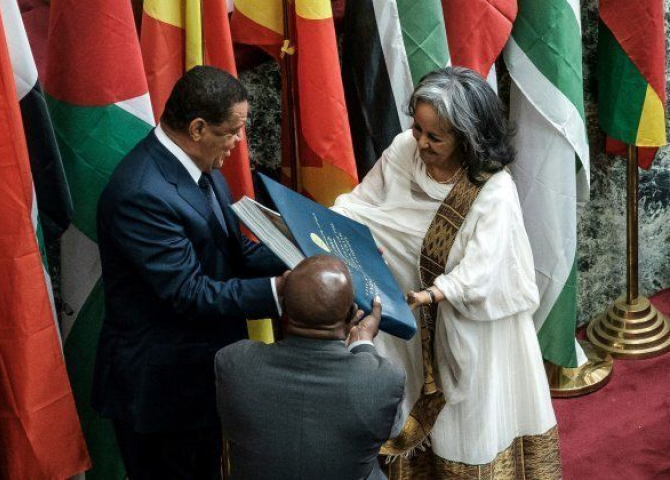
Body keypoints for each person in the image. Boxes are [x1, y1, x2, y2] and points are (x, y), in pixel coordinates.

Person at [332, 67, 561, 478]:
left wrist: (436, 293)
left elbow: (485, 265)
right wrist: (324, 228)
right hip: (409, 320)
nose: (420, 142)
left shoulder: (493, 189)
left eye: (435, 137)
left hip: (470, 327)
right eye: (417, 128)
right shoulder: (403, 150)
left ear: (467, 138)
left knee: (468, 424)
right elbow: (360, 205)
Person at [91, 65, 289, 479]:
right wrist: (283, 291)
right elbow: (190, 292)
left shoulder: (203, 169)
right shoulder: (142, 193)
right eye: (233, 131)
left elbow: (235, 253)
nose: (239, 141)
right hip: (160, 395)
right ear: (198, 128)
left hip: (200, 382)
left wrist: (304, 254)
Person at [215, 255, 406, 480]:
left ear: (282, 307)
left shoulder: (233, 362)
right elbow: (392, 429)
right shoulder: (384, 380)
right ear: (351, 315)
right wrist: (362, 343)